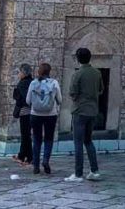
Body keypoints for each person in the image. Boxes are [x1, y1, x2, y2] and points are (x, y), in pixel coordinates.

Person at [65, 47, 103, 182]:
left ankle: (78, 173)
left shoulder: (78, 74)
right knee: (88, 141)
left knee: (78, 142)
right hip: (92, 111)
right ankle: (94, 170)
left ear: (77, 58)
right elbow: (100, 90)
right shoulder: (97, 73)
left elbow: (72, 93)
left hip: (80, 111)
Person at [26, 62, 62, 175]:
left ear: (39, 71)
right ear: (49, 71)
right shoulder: (54, 83)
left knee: (36, 139)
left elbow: (28, 100)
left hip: (35, 114)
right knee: (48, 138)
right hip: (51, 114)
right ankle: (46, 160)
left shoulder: (33, 83)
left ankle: (36, 165)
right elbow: (60, 100)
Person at [12, 64, 34, 165]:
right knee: (26, 135)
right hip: (32, 111)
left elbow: (25, 98)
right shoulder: (32, 82)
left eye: (19, 72)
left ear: (24, 73)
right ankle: (26, 156)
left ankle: (25, 156)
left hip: (25, 111)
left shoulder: (23, 83)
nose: (18, 74)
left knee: (25, 135)